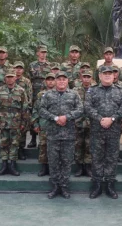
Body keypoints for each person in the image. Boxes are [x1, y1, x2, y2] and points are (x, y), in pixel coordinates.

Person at [85, 66, 122, 199]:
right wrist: (100, 119)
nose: (108, 75)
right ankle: (97, 185)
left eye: (110, 73)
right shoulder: (92, 91)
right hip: (97, 130)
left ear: (114, 76)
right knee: (97, 157)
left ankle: (110, 185)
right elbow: (87, 107)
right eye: (105, 74)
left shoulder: (120, 91)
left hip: (114, 130)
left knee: (111, 158)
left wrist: (112, 119)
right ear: (100, 76)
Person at [39, 71, 83, 199]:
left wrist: (67, 117)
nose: (61, 81)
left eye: (64, 79)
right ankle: (55, 187)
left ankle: (64, 187)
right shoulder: (47, 95)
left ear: (67, 81)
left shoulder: (74, 95)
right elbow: (41, 109)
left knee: (66, 161)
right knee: (53, 162)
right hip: (53, 134)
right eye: (59, 79)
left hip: (68, 134)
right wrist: (54, 117)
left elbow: (80, 109)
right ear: (55, 81)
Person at [0, 69, 28, 177]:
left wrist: (24, 122)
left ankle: (12, 165)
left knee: (14, 143)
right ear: (5, 78)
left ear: (15, 78)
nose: (9, 79)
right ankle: (4, 165)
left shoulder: (21, 90)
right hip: (3, 120)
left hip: (16, 121)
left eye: (11, 77)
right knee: (3, 143)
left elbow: (25, 108)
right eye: (7, 77)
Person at [31, 72, 56, 177]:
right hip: (44, 124)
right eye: (48, 80)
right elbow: (36, 109)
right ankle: (44, 167)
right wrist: (35, 123)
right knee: (43, 146)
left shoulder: (59, 93)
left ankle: (53, 167)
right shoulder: (41, 94)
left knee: (54, 147)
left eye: (52, 79)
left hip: (56, 125)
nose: (50, 81)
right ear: (45, 82)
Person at [73, 69, 96, 177]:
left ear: (91, 78)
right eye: (84, 77)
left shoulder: (96, 90)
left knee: (89, 144)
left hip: (91, 122)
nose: (86, 79)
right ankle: (79, 166)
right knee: (78, 144)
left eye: (88, 77)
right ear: (81, 78)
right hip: (78, 121)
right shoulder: (75, 90)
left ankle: (88, 166)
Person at [28, 45, 51, 148]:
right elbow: (29, 80)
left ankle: (44, 139)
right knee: (34, 115)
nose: (43, 54)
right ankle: (33, 139)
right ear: (37, 53)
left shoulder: (50, 65)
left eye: (45, 52)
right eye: (41, 52)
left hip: (47, 93)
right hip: (34, 93)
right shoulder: (32, 65)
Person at [14, 61, 32, 160]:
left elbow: (29, 95)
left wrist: (27, 108)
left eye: (20, 68)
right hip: (11, 109)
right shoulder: (9, 79)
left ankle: (21, 150)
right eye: (16, 68)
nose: (18, 70)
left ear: (23, 70)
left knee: (22, 130)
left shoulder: (26, 81)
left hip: (23, 109)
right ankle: (12, 152)